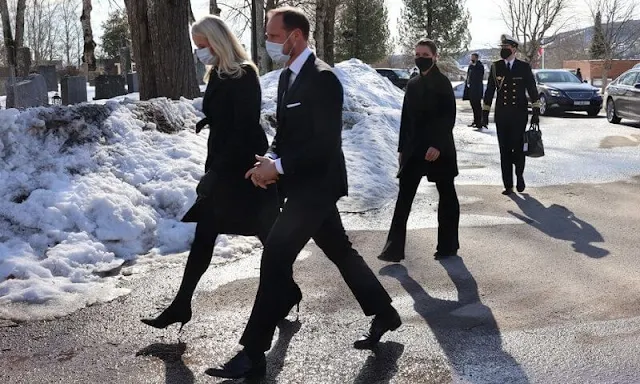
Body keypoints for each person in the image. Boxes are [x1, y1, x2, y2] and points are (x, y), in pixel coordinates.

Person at [206, 7, 401, 379]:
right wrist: (271, 160)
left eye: (274, 36)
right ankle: (385, 312)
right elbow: (286, 134)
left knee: (275, 257)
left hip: (317, 186)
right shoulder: (285, 78)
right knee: (340, 251)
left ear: (296, 36)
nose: (269, 44)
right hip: (300, 185)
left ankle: (252, 353)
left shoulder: (323, 79)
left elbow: (324, 145)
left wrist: (278, 168)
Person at [140, 15, 279, 331]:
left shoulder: (245, 75)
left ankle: (286, 291)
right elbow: (226, 115)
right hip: (222, 162)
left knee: (267, 234)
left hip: (242, 168)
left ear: (217, 42)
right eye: (197, 45)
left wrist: (216, 172)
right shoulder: (217, 73)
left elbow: (244, 127)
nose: (200, 51)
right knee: (207, 235)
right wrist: (209, 121)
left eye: (203, 45)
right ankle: (181, 305)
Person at [378, 38, 460, 262]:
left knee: (447, 196)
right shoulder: (412, 84)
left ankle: (448, 245)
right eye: (418, 55)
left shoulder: (443, 83)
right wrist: (402, 149)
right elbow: (406, 120)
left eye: (425, 55)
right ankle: (393, 249)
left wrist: (437, 145)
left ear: (435, 57)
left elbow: (448, 118)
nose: (421, 59)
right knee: (404, 198)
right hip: (414, 149)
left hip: (439, 149)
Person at [482, 34, 540, 196]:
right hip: (502, 115)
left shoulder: (523, 67)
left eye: (506, 48)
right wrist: (485, 112)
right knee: (504, 150)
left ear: (514, 49)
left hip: (519, 115)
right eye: (502, 48)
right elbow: (490, 91)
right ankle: (508, 185)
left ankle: (519, 175)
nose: (503, 51)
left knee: (519, 149)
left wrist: (536, 110)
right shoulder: (496, 67)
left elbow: (532, 89)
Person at [464, 53, 485, 128]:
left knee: (477, 106)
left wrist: (474, 67)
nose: (471, 58)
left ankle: (479, 122)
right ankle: (475, 121)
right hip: (471, 89)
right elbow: (468, 76)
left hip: (477, 89)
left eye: (473, 57)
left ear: (476, 58)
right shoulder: (470, 66)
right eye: (471, 57)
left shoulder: (480, 66)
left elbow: (479, 76)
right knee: (473, 105)